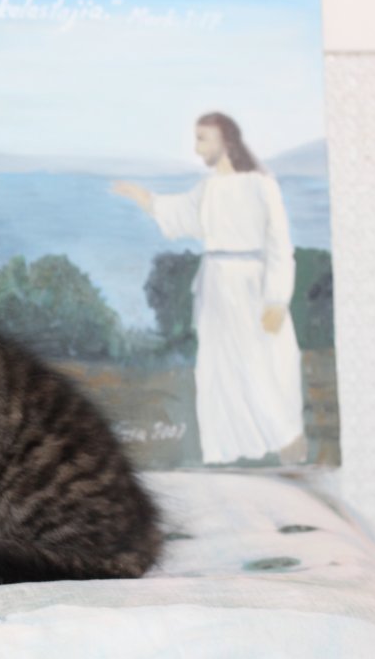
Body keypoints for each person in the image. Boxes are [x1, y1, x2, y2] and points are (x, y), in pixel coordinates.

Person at [113, 112, 307, 465]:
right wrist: (143, 197)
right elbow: (178, 213)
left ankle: (286, 443)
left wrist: (277, 299)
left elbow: (280, 244)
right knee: (220, 369)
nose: (196, 148)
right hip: (216, 289)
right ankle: (228, 453)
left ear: (225, 141)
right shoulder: (209, 189)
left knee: (265, 366)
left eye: (203, 138)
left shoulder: (262, 185)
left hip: (253, 287)